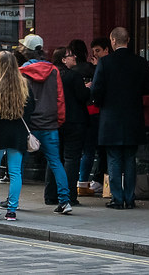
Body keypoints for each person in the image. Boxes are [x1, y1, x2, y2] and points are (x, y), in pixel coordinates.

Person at [91, 27, 149, 209]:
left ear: (113, 41)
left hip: (111, 117)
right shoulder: (140, 62)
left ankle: (117, 198)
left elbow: (96, 89)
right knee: (130, 159)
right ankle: (130, 198)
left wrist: (100, 102)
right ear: (128, 40)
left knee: (114, 159)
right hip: (133, 116)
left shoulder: (105, 63)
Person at [19, 36, 72, 215]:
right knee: (56, 162)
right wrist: (59, 120)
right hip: (50, 125)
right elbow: (60, 99)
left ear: (28, 51)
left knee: (18, 164)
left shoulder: (22, 71)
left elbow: (20, 101)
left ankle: (13, 200)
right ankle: (65, 201)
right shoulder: (54, 71)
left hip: (28, 127)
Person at [0, 51, 33, 221]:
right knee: (15, 172)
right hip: (18, 133)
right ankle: (11, 210)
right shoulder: (24, 84)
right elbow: (30, 109)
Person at [43, 46, 89, 206]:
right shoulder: (74, 77)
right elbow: (83, 96)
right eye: (70, 55)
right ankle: (69, 196)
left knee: (54, 158)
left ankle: (50, 195)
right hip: (74, 122)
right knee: (71, 158)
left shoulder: (50, 75)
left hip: (54, 121)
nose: (74, 57)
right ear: (63, 59)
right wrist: (88, 88)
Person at [77, 37, 111, 197]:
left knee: (95, 149)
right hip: (94, 113)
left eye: (98, 51)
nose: (95, 54)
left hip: (98, 113)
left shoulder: (103, 66)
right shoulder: (92, 68)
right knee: (95, 149)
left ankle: (92, 181)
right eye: (94, 51)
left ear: (106, 50)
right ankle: (92, 181)